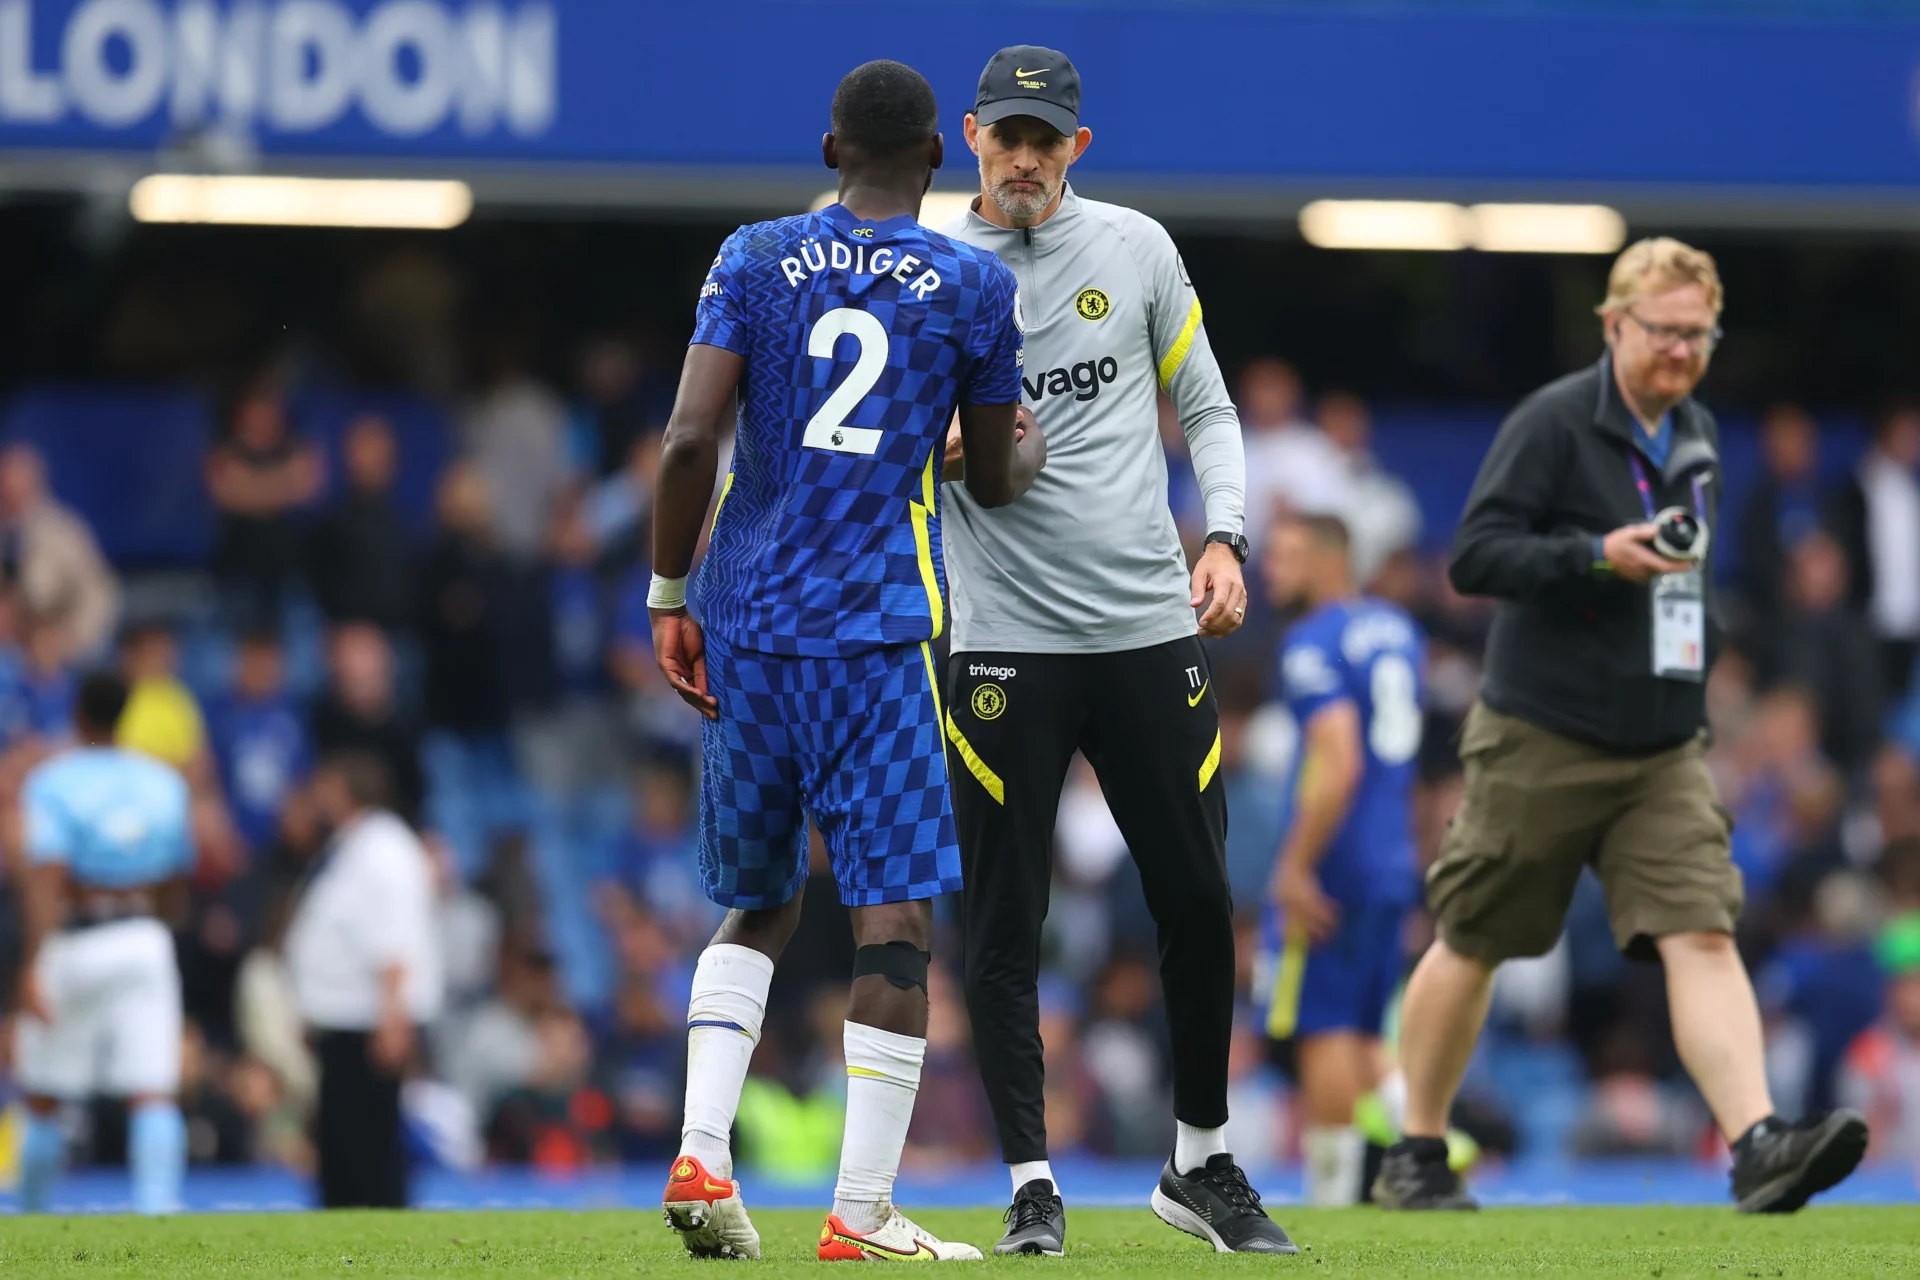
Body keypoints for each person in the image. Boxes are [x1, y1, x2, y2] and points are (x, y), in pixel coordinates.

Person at [1381, 237, 1868, 1213]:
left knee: (1703, 926)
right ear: (1614, 324)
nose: (1682, 351)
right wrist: (1594, 555)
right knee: (1474, 934)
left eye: (1699, 334)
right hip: (1545, 728)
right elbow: (1476, 557)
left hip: (1662, 741)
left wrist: (1715, 658)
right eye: (1663, 331)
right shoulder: (1555, 421)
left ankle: (1757, 1142)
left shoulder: (1696, 434)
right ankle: (1418, 1150)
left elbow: (1687, 576)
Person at [646, 59, 1040, 1263]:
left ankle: (703, 1146)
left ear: (830, 151)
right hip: (877, 635)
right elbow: (987, 472)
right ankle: (859, 1212)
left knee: (757, 902)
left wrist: (671, 594)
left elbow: (684, 445)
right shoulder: (973, 285)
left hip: (750, 623)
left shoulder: (753, 258)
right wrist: (1016, 447)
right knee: (893, 930)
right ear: (936, 156)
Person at [940, 45, 1293, 1256]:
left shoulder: (1137, 248)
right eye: (1009, 135)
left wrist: (1229, 537)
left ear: (1076, 147)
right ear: (969, 134)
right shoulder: (930, 268)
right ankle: (1034, 1181)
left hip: (1149, 626)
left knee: (1197, 894)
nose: (1027, 156)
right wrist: (924, 445)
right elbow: (865, 436)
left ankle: (1200, 1161)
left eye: (1048, 138)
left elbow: (1207, 405)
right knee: (1004, 919)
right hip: (1000, 641)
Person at [1259, 514, 1424, 1207]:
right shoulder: (1399, 629)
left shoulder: (1310, 643)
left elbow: (1340, 758)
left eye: (1287, 556)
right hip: (1393, 851)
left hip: (1337, 859)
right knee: (1362, 1024)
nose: (1270, 570)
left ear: (1331, 561)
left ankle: (1333, 1193)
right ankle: (1424, 1151)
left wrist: (1295, 865)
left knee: (1322, 1025)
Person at [12, 672, 193, 1215]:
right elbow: (176, 878)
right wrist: (156, 930)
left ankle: (32, 1212)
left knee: (44, 1091)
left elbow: (47, 876)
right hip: (144, 935)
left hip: (77, 936)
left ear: (78, 713)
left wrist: (30, 964)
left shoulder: (52, 780)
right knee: (153, 1089)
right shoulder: (165, 781)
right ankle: (158, 1209)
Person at [284, 752, 443, 1208]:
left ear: (347, 790)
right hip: (347, 1021)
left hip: (369, 1022)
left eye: (327, 785)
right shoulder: (354, 846)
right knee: (341, 1142)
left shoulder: (383, 850)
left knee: (369, 1143)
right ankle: (344, 1224)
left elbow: (394, 942)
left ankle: (380, 1224)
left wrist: (393, 1017)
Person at [1831, 405, 1920, 700]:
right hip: (1867, 618)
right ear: (1887, 433)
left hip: (1908, 621)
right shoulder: (1857, 487)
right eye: (1908, 432)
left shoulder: (1910, 490)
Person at [0, 443, 119, 661]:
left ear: (36, 484)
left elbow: (98, 597)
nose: (10, 493)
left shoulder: (63, 533)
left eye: (17, 486)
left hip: (57, 653)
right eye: (5, 486)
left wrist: (70, 643)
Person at [308, 413, 414, 633]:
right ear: (348, 454)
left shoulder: (405, 524)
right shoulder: (331, 522)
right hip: (344, 633)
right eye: (364, 448)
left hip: (397, 634)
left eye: (379, 449)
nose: (371, 458)